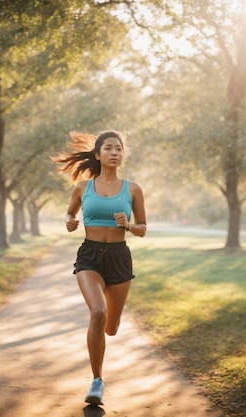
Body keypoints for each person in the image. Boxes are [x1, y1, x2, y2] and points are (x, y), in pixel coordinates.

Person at [52, 130, 147, 406]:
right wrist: (70, 221)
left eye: (118, 148)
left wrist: (129, 226)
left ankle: (108, 330)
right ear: (98, 154)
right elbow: (70, 212)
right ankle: (97, 381)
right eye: (108, 148)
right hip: (90, 256)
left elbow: (142, 228)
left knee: (111, 327)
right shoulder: (83, 188)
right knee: (98, 312)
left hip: (119, 258)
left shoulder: (133, 189)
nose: (114, 152)